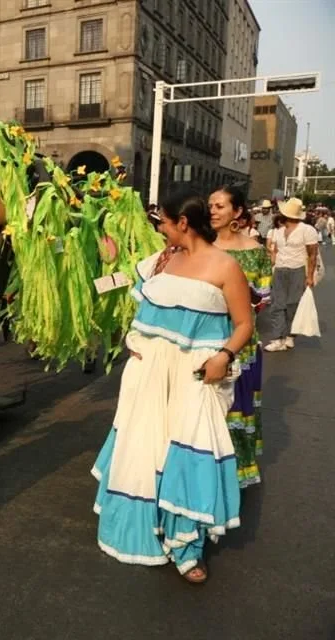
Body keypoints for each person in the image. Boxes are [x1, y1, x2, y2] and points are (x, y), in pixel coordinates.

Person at [92, 191, 253, 583]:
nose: (160, 229)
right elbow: (128, 286)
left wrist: (223, 357)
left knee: (187, 453)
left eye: (163, 222)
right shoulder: (163, 259)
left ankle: (186, 546)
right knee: (146, 451)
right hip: (148, 375)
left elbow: (244, 324)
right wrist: (107, 261)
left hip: (195, 375)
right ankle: (144, 530)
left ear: (183, 223)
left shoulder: (226, 267)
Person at [209, 186, 272, 488]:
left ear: (237, 212)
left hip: (241, 342)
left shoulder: (256, 252)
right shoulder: (203, 248)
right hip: (206, 338)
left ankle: (236, 470)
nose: (213, 211)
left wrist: (236, 293)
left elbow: (261, 299)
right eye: (210, 205)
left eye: (220, 206)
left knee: (237, 405)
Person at [264, 198, 318, 352]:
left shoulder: (307, 230)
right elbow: (275, 252)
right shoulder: (278, 232)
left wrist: (310, 276)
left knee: (293, 305)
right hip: (280, 269)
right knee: (276, 305)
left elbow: (312, 255)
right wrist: (271, 268)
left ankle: (290, 335)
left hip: (297, 270)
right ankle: (277, 338)